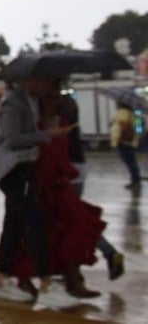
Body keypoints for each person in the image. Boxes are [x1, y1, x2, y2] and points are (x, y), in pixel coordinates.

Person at [10, 83, 124, 299]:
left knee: (71, 230)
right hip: (42, 187)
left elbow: (58, 155)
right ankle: (37, 279)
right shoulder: (36, 124)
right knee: (46, 234)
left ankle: (73, 278)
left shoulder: (60, 123)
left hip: (57, 187)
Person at [0, 77, 79, 309]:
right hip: (13, 169)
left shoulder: (29, 101)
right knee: (34, 221)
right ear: (30, 80)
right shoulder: (13, 103)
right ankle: (47, 285)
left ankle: (1, 280)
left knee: (15, 224)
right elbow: (13, 138)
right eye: (45, 81)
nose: (48, 86)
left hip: (23, 167)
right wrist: (47, 135)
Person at [57, 93, 125, 283]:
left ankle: (74, 269)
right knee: (71, 219)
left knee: (70, 221)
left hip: (68, 170)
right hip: (76, 168)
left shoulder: (61, 117)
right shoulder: (70, 114)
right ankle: (72, 268)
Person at [111, 101, 140, 190]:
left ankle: (134, 182)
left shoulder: (122, 112)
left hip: (124, 142)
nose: (116, 104)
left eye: (117, 103)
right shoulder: (129, 112)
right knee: (131, 162)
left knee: (130, 162)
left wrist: (120, 139)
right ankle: (135, 181)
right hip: (128, 142)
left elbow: (124, 126)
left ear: (120, 104)